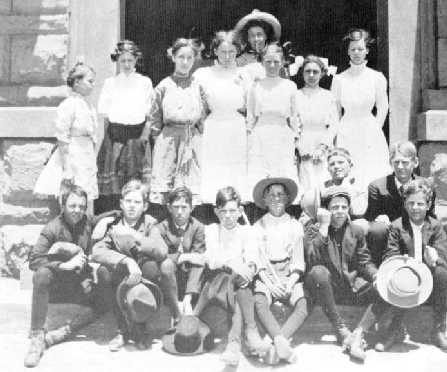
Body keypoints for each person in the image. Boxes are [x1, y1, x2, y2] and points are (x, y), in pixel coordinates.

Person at [24, 185, 111, 368]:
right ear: (63, 205)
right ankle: (37, 336)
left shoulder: (87, 222)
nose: (77, 210)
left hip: (80, 284)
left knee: (105, 294)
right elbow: (34, 260)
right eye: (72, 206)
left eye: (81, 206)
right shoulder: (52, 228)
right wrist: (63, 265)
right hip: (58, 284)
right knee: (41, 275)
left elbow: (111, 213)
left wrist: (115, 216)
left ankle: (63, 333)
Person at [304, 186, 387, 361]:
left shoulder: (355, 230)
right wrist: (324, 227)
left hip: (351, 287)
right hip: (327, 289)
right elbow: (311, 259)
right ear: (326, 210)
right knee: (318, 272)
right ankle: (340, 328)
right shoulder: (313, 228)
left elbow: (365, 261)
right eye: (335, 207)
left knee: (384, 287)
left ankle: (358, 333)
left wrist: (376, 275)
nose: (340, 212)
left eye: (344, 207)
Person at [192, 186, 270, 365]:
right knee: (236, 282)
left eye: (232, 211)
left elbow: (253, 257)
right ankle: (250, 333)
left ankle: (234, 345)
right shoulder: (212, 230)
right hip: (217, 283)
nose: (227, 216)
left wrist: (249, 267)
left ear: (240, 211)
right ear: (216, 212)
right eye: (223, 211)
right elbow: (212, 260)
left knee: (240, 285)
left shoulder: (246, 231)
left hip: (238, 284)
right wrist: (234, 264)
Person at [92, 179, 168, 351]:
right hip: (122, 273)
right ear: (121, 204)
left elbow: (161, 251)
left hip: (144, 277)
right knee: (104, 272)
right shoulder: (114, 224)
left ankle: (142, 327)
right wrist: (126, 261)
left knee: (151, 267)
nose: (132, 206)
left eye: (137, 202)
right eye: (128, 201)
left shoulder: (150, 224)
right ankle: (123, 329)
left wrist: (134, 234)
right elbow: (97, 251)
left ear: (145, 206)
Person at [375, 178, 447, 352]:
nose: (415, 208)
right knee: (402, 279)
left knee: (442, 273)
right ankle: (395, 328)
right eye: (411, 203)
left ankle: (438, 328)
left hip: (428, 276)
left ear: (428, 205)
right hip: (405, 273)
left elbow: (443, 255)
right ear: (405, 205)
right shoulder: (397, 226)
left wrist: (435, 257)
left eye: (420, 204)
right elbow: (390, 254)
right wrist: (403, 262)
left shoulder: (436, 226)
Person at [252, 178, 307, 364]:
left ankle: (278, 342)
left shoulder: (295, 225)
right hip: (267, 273)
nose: (276, 199)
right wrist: (270, 284)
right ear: (265, 200)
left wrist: (290, 282)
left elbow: (298, 262)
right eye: (271, 195)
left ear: (287, 199)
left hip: (288, 273)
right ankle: (282, 343)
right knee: (259, 301)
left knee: (302, 306)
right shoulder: (258, 226)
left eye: (280, 194)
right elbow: (257, 262)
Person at [34, 62, 98, 214]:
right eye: (90, 81)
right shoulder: (69, 105)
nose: (93, 85)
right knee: (72, 196)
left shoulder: (88, 106)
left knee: (85, 196)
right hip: (72, 154)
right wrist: (67, 168)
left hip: (86, 154)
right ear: (77, 82)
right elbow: (62, 137)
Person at [96, 40, 153, 212]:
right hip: (115, 136)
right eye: (123, 61)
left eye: (130, 60)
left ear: (136, 60)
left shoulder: (144, 82)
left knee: (135, 176)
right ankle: (115, 214)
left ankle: (136, 213)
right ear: (117, 61)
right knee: (115, 176)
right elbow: (105, 115)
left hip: (137, 135)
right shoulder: (110, 83)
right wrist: (108, 141)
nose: (127, 64)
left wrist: (144, 138)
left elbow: (149, 114)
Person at [193, 31, 250, 203]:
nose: (227, 56)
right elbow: (198, 105)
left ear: (237, 52)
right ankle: (213, 204)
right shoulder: (203, 74)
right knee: (214, 165)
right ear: (215, 51)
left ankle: (236, 204)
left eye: (231, 52)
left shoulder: (244, 74)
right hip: (214, 126)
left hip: (236, 126)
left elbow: (250, 105)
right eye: (223, 52)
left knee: (235, 166)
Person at [331, 28, 391, 190]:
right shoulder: (339, 79)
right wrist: (334, 136)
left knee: (371, 169)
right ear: (348, 52)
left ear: (367, 51)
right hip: (347, 129)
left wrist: (375, 129)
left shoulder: (376, 77)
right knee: (349, 171)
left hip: (369, 129)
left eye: (360, 49)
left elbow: (383, 106)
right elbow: (335, 112)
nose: (357, 52)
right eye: (353, 49)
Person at [149, 38, 204, 205]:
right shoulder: (163, 86)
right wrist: (161, 143)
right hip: (169, 141)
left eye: (189, 58)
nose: (185, 62)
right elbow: (155, 119)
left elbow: (203, 116)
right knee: (167, 186)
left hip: (191, 139)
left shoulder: (198, 85)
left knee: (189, 186)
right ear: (173, 57)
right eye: (181, 57)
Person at [365, 141, 436, 266]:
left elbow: (431, 215)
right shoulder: (377, 186)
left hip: (417, 230)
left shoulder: (426, 185)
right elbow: (371, 218)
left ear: (415, 163)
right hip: (390, 234)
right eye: (396, 162)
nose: (400, 167)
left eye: (405, 162)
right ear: (390, 163)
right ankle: (380, 266)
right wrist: (380, 218)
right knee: (377, 229)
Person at [247, 44, 300, 202]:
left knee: (282, 169)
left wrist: (296, 138)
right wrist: (249, 135)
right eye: (268, 61)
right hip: (261, 131)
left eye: (276, 62)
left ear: (283, 62)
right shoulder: (255, 86)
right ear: (262, 62)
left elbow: (294, 116)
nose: (272, 65)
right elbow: (250, 115)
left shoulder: (290, 86)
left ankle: (286, 203)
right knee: (260, 168)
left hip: (282, 132)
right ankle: (258, 202)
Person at [153, 186, 206, 324]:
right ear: (169, 208)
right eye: (176, 207)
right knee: (167, 264)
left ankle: (188, 300)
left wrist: (192, 258)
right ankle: (175, 304)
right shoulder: (161, 228)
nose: (180, 212)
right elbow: (160, 255)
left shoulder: (198, 227)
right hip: (171, 278)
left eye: (184, 207)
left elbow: (198, 256)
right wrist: (183, 257)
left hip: (190, 280)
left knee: (200, 263)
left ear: (191, 208)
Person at [296, 55, 338, 192]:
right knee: (306, 182)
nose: (311, 75)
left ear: (322, 74)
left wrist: (323, 147)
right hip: (304, 143)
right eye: (308, 71)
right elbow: (292, 123)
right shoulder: (296, 96)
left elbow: (334, 124)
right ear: (302, 73)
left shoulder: (328, 96)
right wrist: (300, 147)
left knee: (323, 180)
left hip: (323, 142)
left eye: (315, 72)